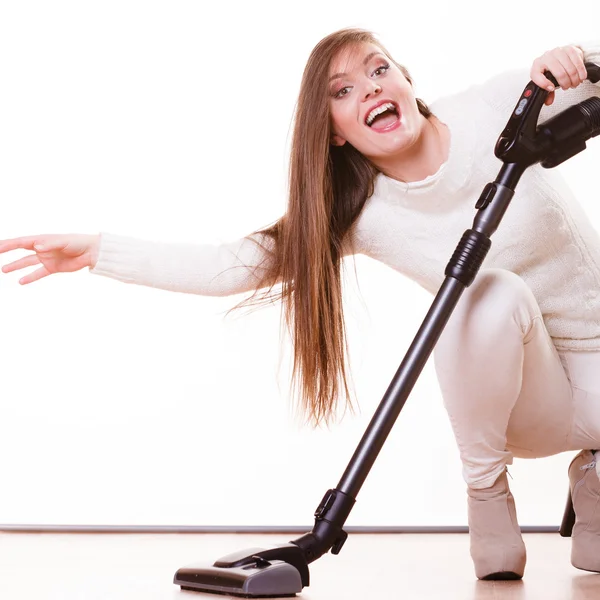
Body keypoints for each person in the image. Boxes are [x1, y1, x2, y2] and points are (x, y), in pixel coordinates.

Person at [1, 27, 599, 581]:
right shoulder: (361, 213)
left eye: (378, 70)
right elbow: (229, 264)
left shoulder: (504, 106)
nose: (369, 89)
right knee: (486, 290)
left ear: (407, 81)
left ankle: (594, 481)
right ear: (336, 130)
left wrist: (579, 58)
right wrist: (97, 251)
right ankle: (486, 490)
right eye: (343, 90)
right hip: (523, 400)